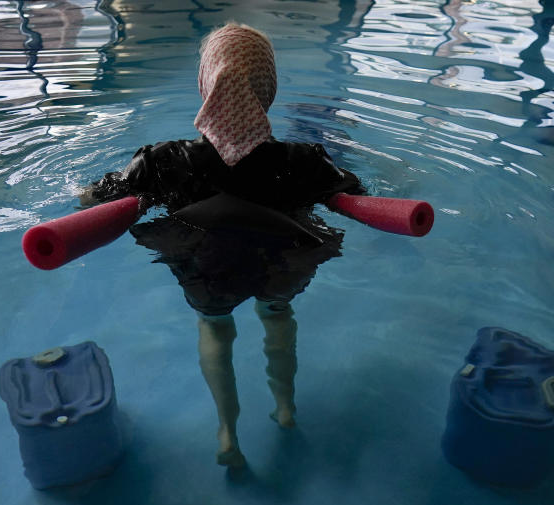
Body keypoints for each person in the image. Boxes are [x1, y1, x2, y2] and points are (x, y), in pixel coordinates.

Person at [81, 22, 364, 468]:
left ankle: (228, 431)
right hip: (283, 262)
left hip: (205, 269)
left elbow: (93, 199)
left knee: (214, 328)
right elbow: (356, 195)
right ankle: (286, 406)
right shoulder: (303, 161)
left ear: (204, 86)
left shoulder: (161, 161)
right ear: (268, 90)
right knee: (277, 314)